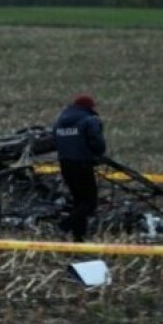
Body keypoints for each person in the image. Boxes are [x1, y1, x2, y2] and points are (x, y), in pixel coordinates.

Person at [53, 94, 106, 242]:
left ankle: (79, 237)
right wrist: (98, 154)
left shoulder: (60, 121)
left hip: (65, 164)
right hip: (82, 164)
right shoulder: (89, 120)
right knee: (90, 203)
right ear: (89, 107)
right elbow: (96, 141)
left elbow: (55, 140)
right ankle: (65, 225)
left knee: (78, 201)